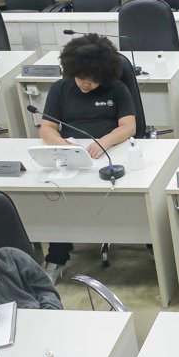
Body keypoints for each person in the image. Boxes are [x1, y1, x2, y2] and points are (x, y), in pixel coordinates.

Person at [39, 34, 136, 280]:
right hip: (72, 158)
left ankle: (150, 244)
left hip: (111, 155)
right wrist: (64, 145)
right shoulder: (60, 89)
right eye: (81, 78)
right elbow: (47, 128)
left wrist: (104, 142)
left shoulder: (117, 89)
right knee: (57, 200)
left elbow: (128, 126)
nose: (85, 84)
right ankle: (56, 258)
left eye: (92, 81)